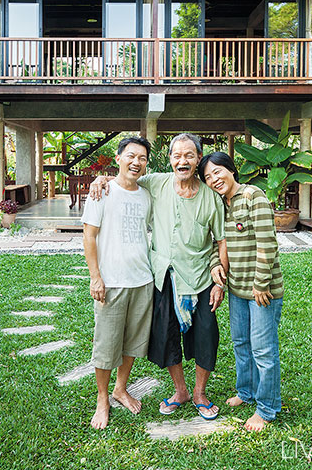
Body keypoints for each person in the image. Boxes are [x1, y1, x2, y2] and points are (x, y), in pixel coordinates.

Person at [91, 133, 227, 420]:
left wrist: (219, 280)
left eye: (189, 155)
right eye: (176, 155)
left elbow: (220, 240)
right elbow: (126, 178)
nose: (182, 161)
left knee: (206, 336)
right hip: (163, 276)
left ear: (198, 159)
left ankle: (200, 393)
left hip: (199, 276)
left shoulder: (211, 197)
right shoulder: (156, 183)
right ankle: (181, 391)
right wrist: (100, 179)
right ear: (169, 160)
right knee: (166, 338)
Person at [198, 151, 284, 432]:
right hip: (236, 290)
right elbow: (216, 244)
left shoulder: (253, 196)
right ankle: (246, 392)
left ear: (231, 170)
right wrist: (215, 267)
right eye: (208, 177)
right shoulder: (222, 206)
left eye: (217, 172)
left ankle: (267, 407)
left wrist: (261, 284)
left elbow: (267, 244)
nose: (214, 179)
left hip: (262, 291)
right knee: (241, 344)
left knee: (263, 350)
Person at [82, 136, 154, 430]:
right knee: (106, 344)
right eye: (131, 156)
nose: (136, 162)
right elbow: (89, 236)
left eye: (143, 158)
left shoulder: (147, 194)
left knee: (133, 343)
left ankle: (120, 389)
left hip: (143, 279)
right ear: (119, 157)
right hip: (111, 281)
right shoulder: (102, 192)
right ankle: (102, 399)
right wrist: (95, 276)